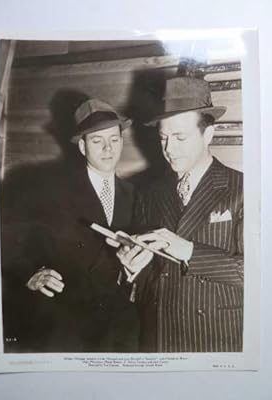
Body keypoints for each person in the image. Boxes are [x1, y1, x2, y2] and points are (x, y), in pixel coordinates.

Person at [110, 77, 244, 353]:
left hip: (218, 340)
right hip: (159, 339)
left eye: (180, 138)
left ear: (208, 134)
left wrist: (189, 251)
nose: (169, 149)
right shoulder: (150, 193)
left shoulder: (246, 189)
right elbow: (148, 279)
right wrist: (131, 269)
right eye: (163, 138)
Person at [1, 98, 139, 352]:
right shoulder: (49, 190)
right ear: (83, 147)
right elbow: (7, 241)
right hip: (63, 325)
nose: (108, 148)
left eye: (114, 139)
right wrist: (29, 275)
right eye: (97, 141)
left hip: (115, 326)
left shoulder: (134, 194)